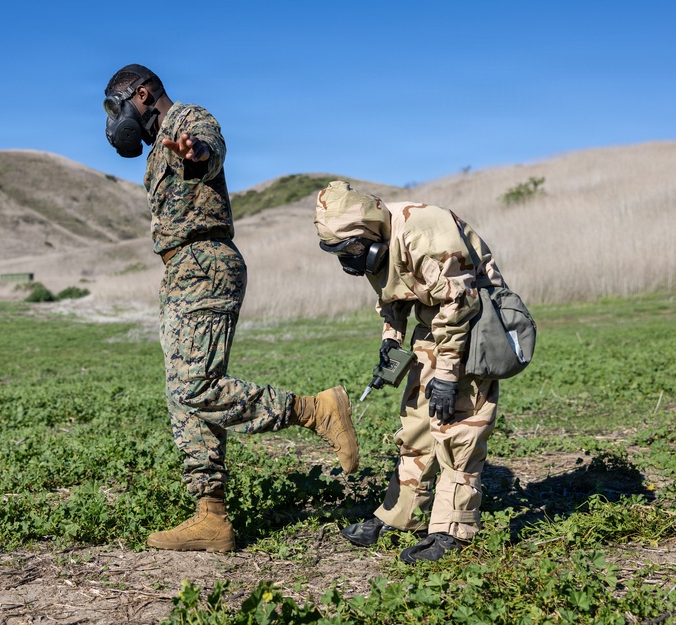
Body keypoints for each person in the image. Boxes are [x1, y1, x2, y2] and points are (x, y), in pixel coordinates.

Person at [102, 65, 359, 552]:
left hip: (206, 262)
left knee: (196, 385)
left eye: (116, 105)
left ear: (141, 93)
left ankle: (317, 411)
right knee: (184, 394)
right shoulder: (156, 152)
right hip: (181, 269)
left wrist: (195, 152)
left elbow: (208, 150)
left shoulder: (188, 120)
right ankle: (211, 517)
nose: (114, 119)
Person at [313, 180, 505, 564]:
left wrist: (448, 376)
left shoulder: (424, 231)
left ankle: (453, 531)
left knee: (457, 427)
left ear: (367, 232)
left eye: (348, 249)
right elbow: (392, 299)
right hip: (433, 326)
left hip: (473, 325)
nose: (346, 259)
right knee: (417, 423)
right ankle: (401, 516)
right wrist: (390, 338)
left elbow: (459, 302)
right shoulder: (372, 246)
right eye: (336, 252)